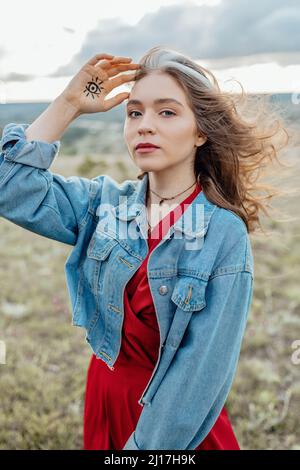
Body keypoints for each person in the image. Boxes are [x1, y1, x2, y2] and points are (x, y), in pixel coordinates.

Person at [0, 46, 288, 450]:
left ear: (201, 131)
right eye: (134, 112)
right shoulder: (103, 206)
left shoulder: (223, 235)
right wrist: (68, 104)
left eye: (166, 112)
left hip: (172, 423)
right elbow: (9, 186)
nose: (144, 125)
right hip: (105, 396)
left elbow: (199, 375)